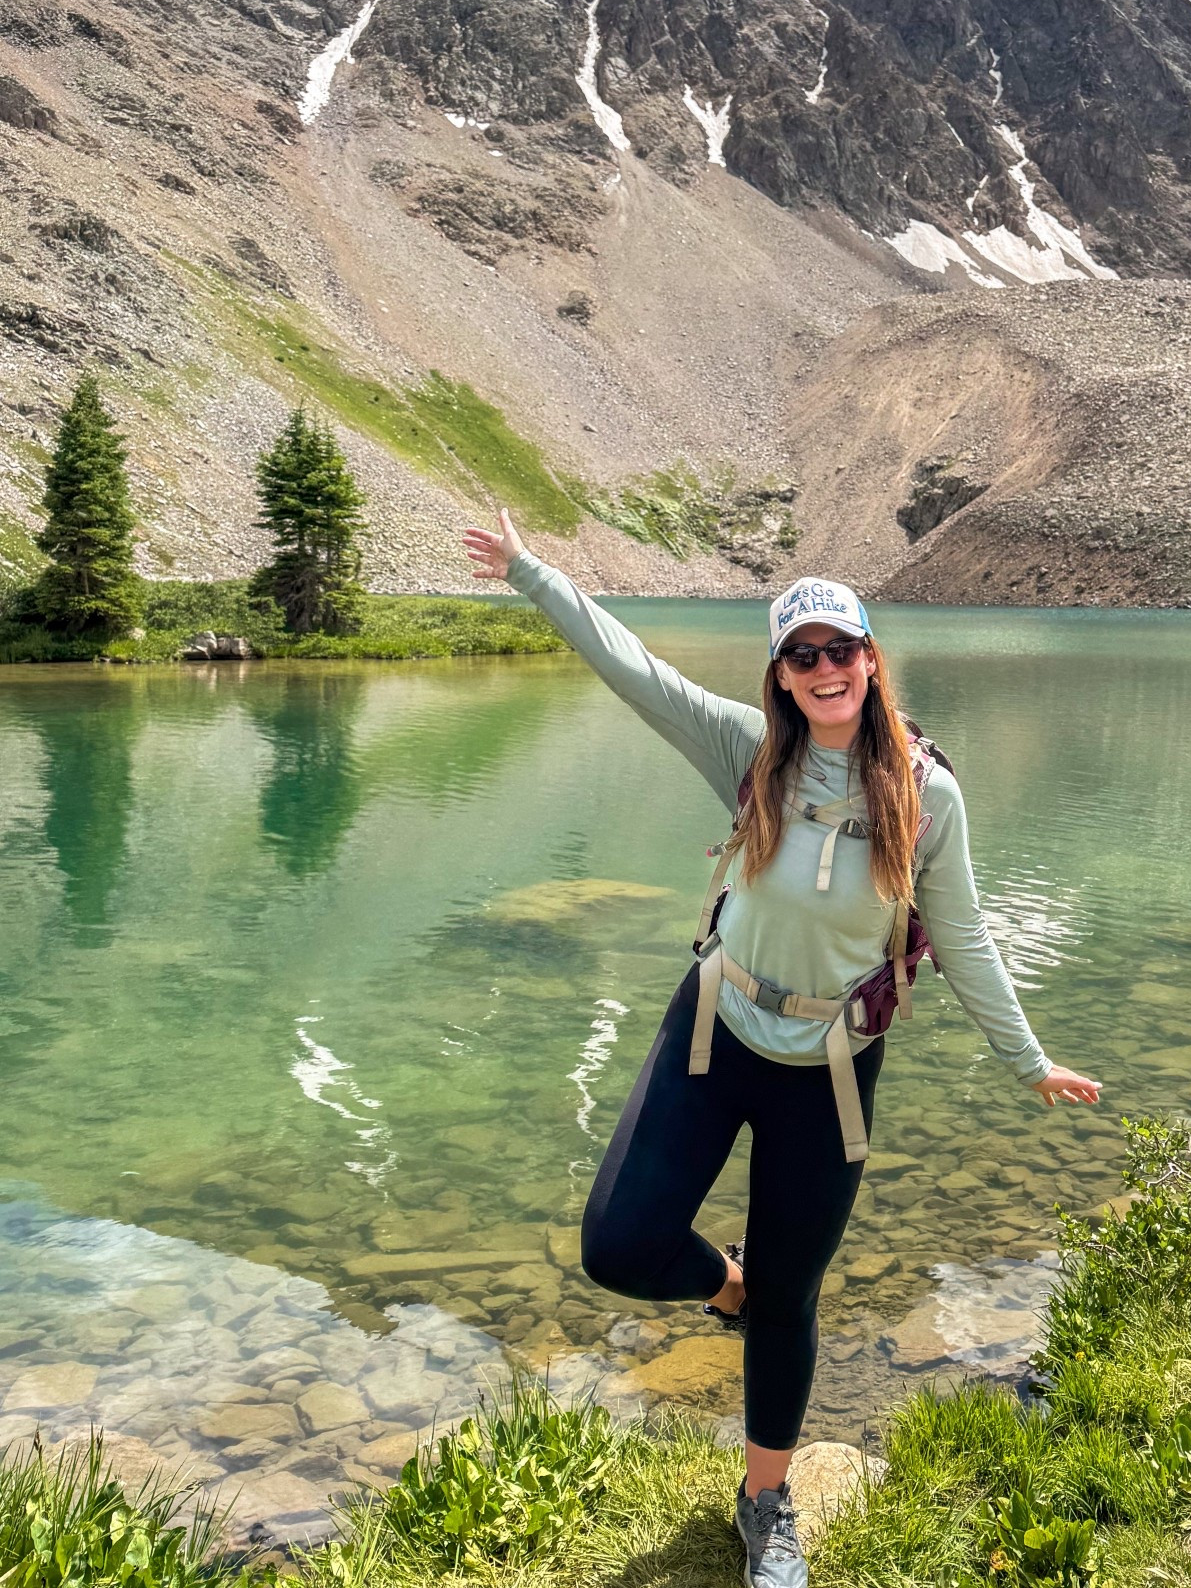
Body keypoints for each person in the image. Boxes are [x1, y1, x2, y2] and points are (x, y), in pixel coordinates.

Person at [463, 511, 1100, 1588]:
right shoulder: (751, 751)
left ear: (869, 658)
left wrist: (1028, 1058)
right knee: (621, 1244)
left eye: (839, 648)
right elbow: (636, 670)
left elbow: (969, 933)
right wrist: (533, 573)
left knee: (795, 1299)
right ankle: (729, 1285)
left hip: (836, 1070)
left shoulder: (925, 789)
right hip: (716, 1027)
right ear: (782, 671)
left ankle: (767, 1501)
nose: (823, 668)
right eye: (801, 654)